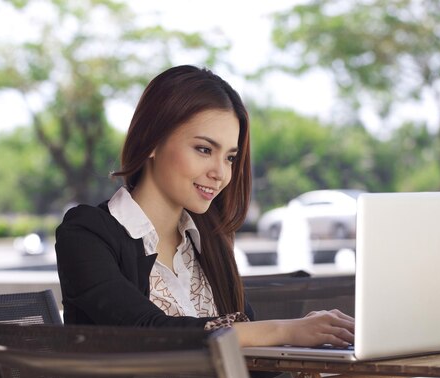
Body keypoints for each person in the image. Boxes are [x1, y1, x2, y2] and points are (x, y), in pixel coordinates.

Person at [55, 65, 354, 348]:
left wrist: (307, 336)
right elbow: (143, 331)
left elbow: (250, 357)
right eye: (204, 149)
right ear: (152, 141)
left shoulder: (209, 239)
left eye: (230, 157)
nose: (220, 173)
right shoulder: (85, 233)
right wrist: (283, 330)